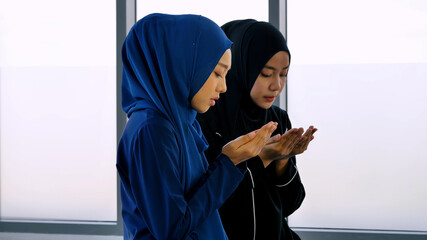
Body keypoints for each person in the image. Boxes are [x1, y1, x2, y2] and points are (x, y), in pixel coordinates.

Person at [116, 14, 278, 240]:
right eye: (217, 73)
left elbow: (195, 203)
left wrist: (236, 158)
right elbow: (173, 230)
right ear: (182, 64)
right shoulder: (152, 130)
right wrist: (228, 162)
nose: (223, 87)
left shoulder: (181, 123)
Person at [197, 19, 317, 240]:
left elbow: (290, 205)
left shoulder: (277, 120)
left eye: (283, 74)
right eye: (266, 73)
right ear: (241, 67)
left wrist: (282, 162)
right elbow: (209, 206)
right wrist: (261, 158)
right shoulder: (206, 121)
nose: (276, 85)